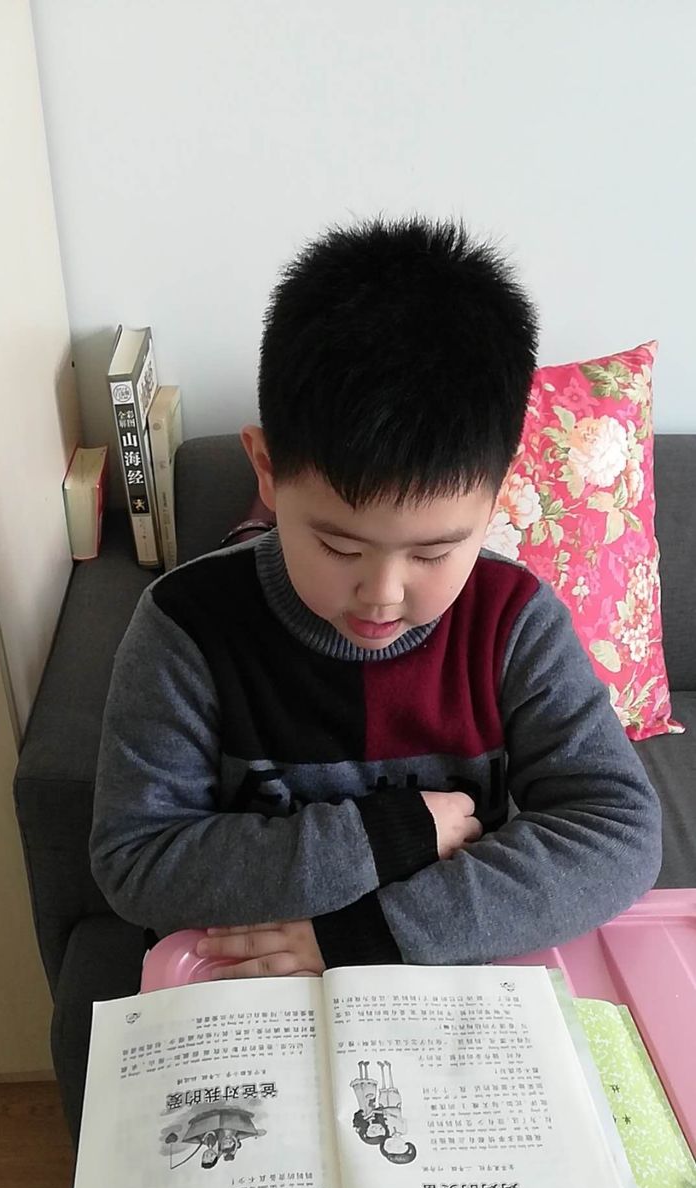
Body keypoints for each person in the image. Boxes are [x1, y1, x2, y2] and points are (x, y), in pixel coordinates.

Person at [90, 216, 661, 975]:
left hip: (442, 979)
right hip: (245, 987)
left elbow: (620, 833)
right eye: (339, 547)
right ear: (267, 471)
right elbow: (135, 861)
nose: (383, 595)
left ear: (496, 498)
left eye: (432, 553)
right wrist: (385, 837)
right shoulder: (185, 626)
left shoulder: (514, 621)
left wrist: (366, 935)